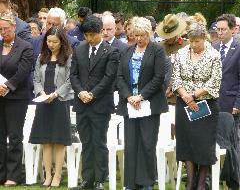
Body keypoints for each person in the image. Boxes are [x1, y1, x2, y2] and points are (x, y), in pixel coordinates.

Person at [117, 17, 168, 190]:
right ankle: (131, 183)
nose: (139, 39)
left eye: (143, 35)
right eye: (136, 35)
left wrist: (141, 96)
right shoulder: (127, 51)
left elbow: (159, 77)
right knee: (131, 143)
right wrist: (129, 96)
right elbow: (120, 77)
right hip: (130, 104)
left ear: (150, 33)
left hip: (149, 104)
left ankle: (146, 182)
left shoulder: (158, 50)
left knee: (147, 143)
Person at [70, 15, 119, 190]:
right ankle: (87, 179)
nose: (89, 38)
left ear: (101, 32)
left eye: (92, 35)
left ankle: (100, 179)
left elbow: (109, 78)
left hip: (100, 105)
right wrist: (81, 92)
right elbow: (73, 74)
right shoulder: (79, 49)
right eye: (86, 35)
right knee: (86, 142)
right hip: (81, 103)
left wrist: (92, 94)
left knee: (99, 142)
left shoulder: (111, 51)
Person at [172, 22, 222, 190]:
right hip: (183, 104)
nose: (193, 45)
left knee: (203, 145)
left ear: (204, 38)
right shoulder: (181, 53)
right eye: (190, 41)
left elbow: (214, 82)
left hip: (205, 104)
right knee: (187, 143)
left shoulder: (214, 55)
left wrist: (194, 96)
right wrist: (186, 96)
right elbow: (176, 78)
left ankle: (201, 184)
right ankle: (190, 183)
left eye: (197, 42)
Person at [29, 27, 73, 187]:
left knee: (59, 141)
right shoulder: (41, 57)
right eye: (48, 41)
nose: (51, 44)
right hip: (43, 103)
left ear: (62, 42)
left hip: (60, 103)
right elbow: (36, 79)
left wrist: (54, 94)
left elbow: (69, 81)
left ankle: (58, 176)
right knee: (45, 141)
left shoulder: (68, 58)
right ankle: (47, 175)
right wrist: (41, 93)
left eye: (55, 41)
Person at [0, 13, 34, 186]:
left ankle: (14, 175)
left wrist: (7, 86)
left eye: (6, 28)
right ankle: (1, 173)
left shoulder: (25, 47)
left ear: (14, 27)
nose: (3, 32)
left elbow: (23, 71)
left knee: (14, 136)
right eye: (0, 29)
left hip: (16, 97)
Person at [213, 14, 240, 142]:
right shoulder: (213, 48)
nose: (219, 32)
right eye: (217, 29)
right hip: (213, 101)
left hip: (231, 102)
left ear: (232, 29)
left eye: (223, 29)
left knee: (231, 140)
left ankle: (234, 162)